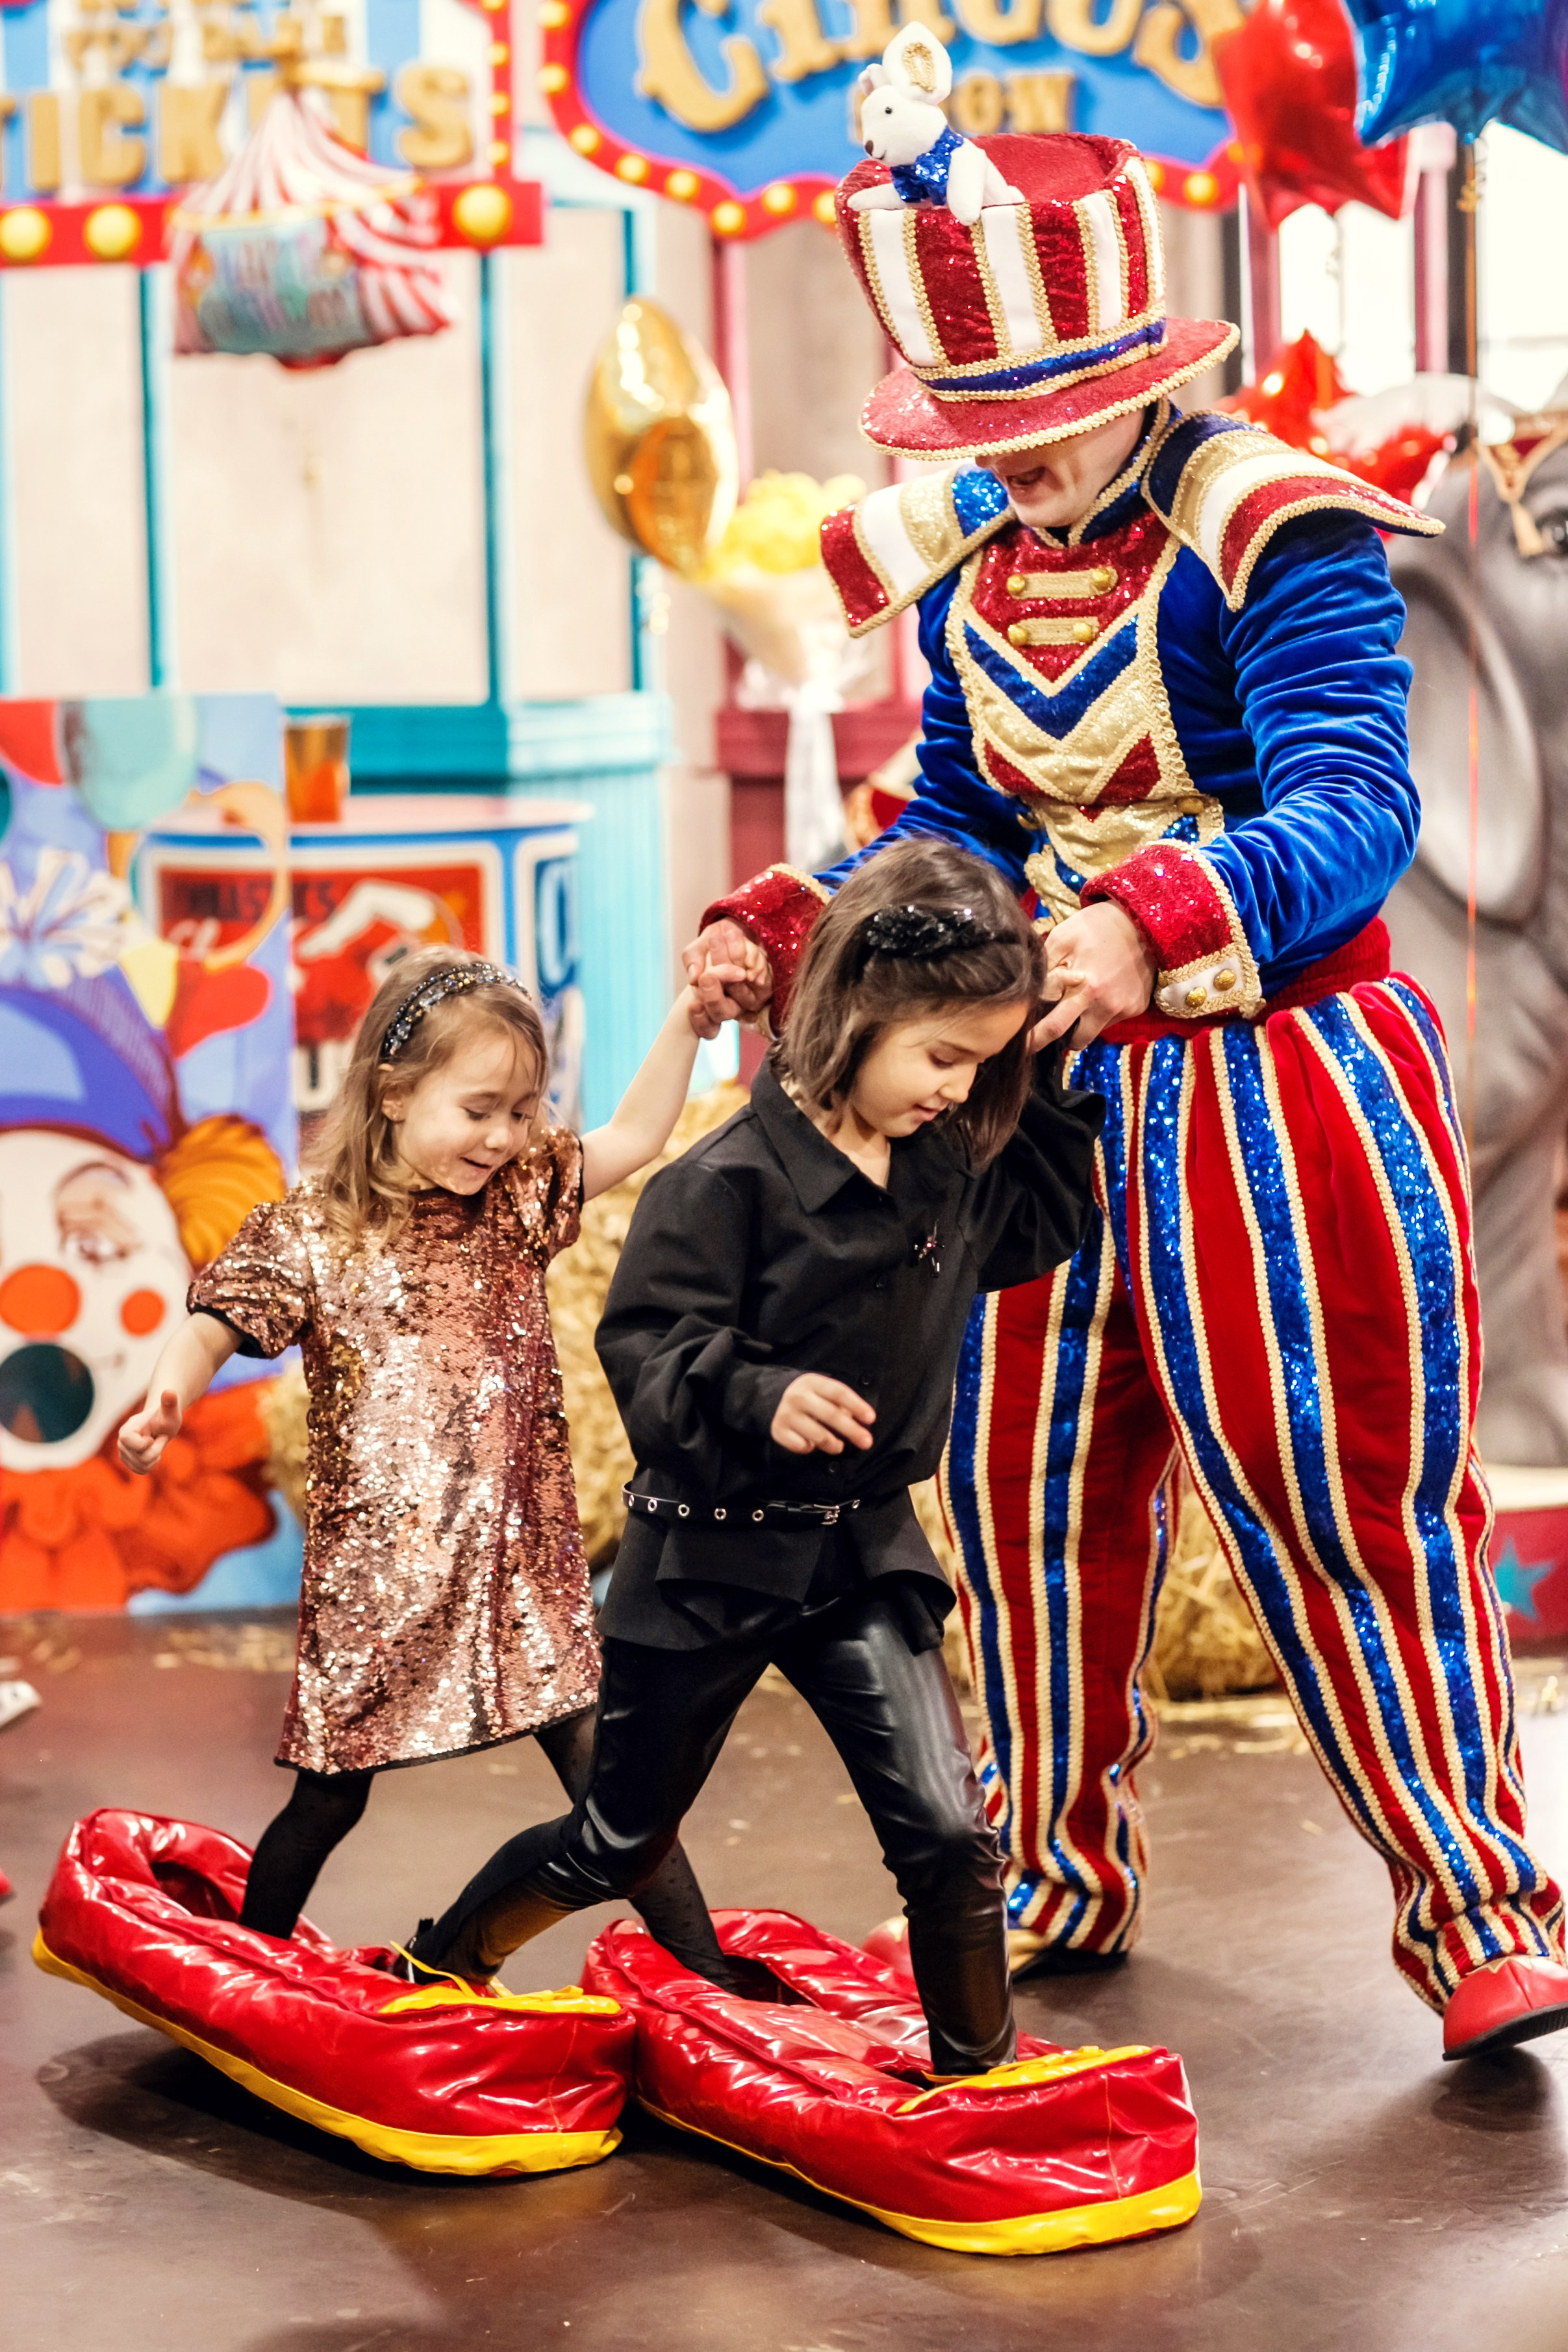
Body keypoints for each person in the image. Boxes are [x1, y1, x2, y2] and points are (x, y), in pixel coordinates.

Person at [685, 108, 1568, 2062]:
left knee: (1338, 1496)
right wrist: (798, 916)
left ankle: (1479, 1900)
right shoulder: (980, 566)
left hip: (1277, 1080)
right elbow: (950, 826)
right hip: (1034, 1106)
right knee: (1020, 1491)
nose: (1013, 453)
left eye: (1048, 411)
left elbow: (1356, 803)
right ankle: (1057, 1860)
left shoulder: (1273, 526)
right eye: (980, 422)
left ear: (1140, 367)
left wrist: (1162, 909)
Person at [405, 842, 1103, 2079]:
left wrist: (1036, 1067)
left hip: (859, 1553)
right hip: (705, 1565)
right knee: (615, 1841)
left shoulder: (946, 1171)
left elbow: (1045, 1219)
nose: (956, 1087)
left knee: (949, 1837)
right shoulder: (715, 1183)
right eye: (942, 1056)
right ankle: (441, 1962)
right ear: (857, 1015)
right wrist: (757, 1392)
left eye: (979, 1064)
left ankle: (975, 2077)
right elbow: (647, 1350)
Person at [117, 948, 728, 1982]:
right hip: (380, 1586)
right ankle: (246, 1972)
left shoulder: (517, 1200)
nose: (503, 1136)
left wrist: (686, 1018)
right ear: (394, 1094)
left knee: (612, 1787)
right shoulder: (312, 1233)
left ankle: (711, 1982)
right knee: (329, 1797)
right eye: (480, 1108)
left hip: (517, 1572)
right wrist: (172, 1387)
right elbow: (219, 1320)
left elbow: (633, 1135)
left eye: (524, 1112)